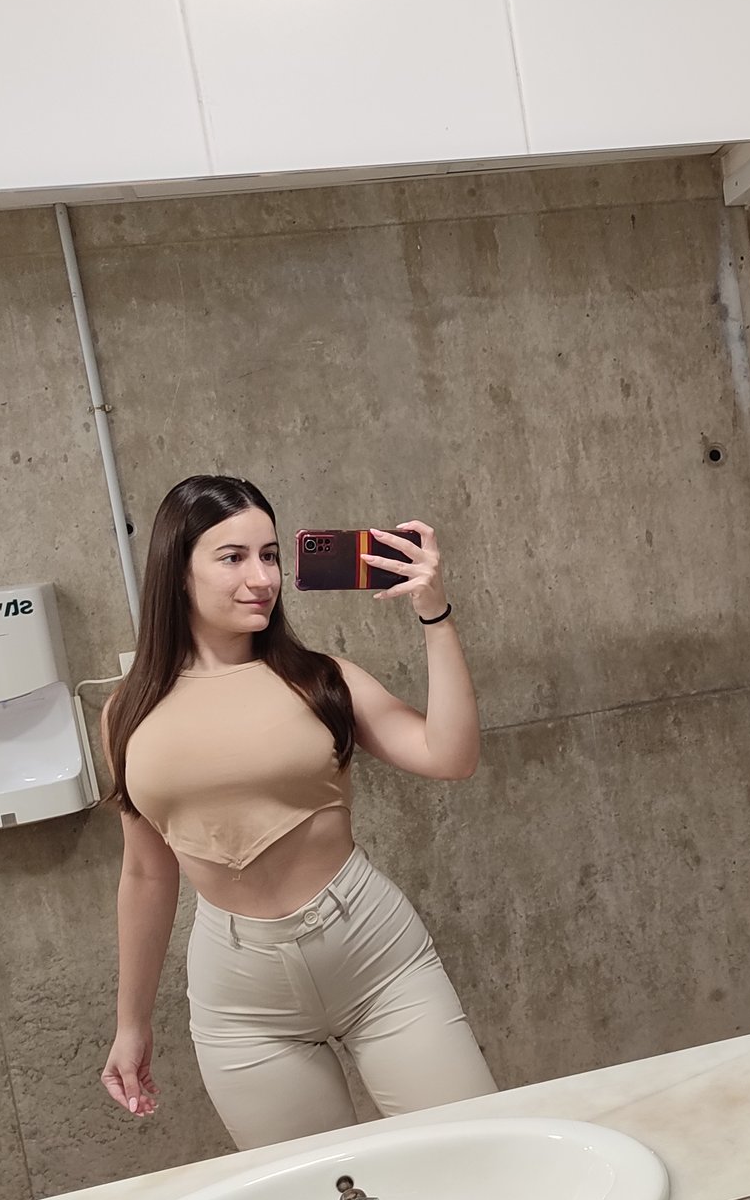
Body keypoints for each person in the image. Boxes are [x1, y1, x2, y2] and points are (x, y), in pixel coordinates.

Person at [97, 474, 495, 1149]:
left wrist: (435, 614)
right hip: (243, 1002)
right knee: (318, 1193)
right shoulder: (127, 711)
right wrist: (131, 1024)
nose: (262, 578)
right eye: (233, 557)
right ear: (178, 571)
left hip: (376, 959)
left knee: (478, 1153)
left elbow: (450, 755)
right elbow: (145, 873)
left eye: (271, 555)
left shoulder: (321, 677)